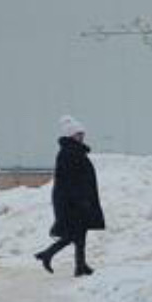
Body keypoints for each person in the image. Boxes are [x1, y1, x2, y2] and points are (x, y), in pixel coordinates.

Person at [36, 116, 104, 277]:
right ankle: (48, 254)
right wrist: (81, 200)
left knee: (81, 233)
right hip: (71, 202)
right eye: (77, 134)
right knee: (73, 234)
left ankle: (80, 266)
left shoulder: (75, 151)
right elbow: (69, 181)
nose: (81, 137)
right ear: (70, 136)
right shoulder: (68, 153)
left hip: (79, 200)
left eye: (82, 134)